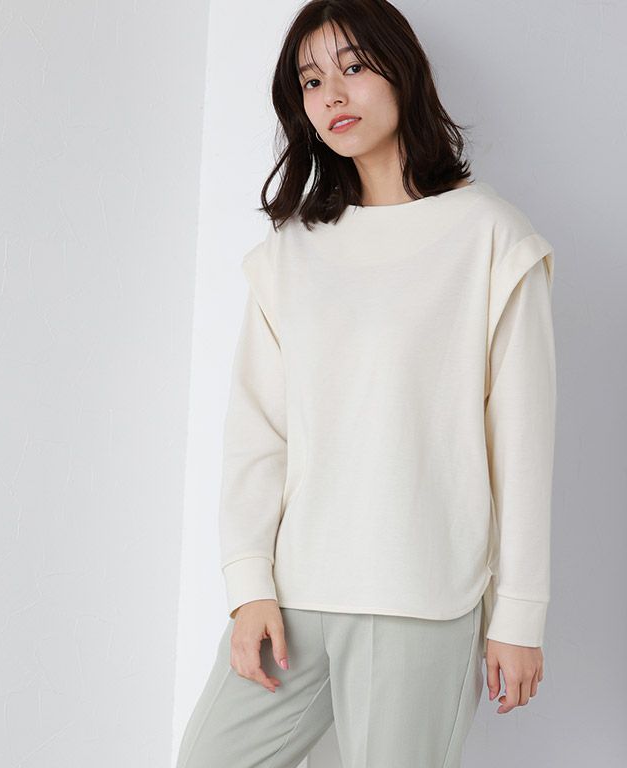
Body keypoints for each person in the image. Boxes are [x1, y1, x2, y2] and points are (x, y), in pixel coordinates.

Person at [176, 1, 556, 766]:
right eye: (312, 81)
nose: (333, 95)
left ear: (403, 72)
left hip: (422, 595)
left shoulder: (491, 238)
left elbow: (521, 444)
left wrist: (519, 614)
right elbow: (258, 436)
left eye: (353, 67)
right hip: (294, 595)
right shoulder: (290, 253)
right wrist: (249, 585)